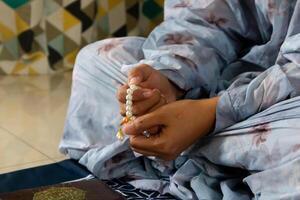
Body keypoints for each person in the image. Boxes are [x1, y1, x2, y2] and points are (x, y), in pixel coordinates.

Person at [59, 0, 300, 199]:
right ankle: (219, 160)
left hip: (286, 107)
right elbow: (207, 17)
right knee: (98, 61)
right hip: (243, 80)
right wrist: (169, 77)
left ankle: (199, 158)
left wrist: (213, 113)